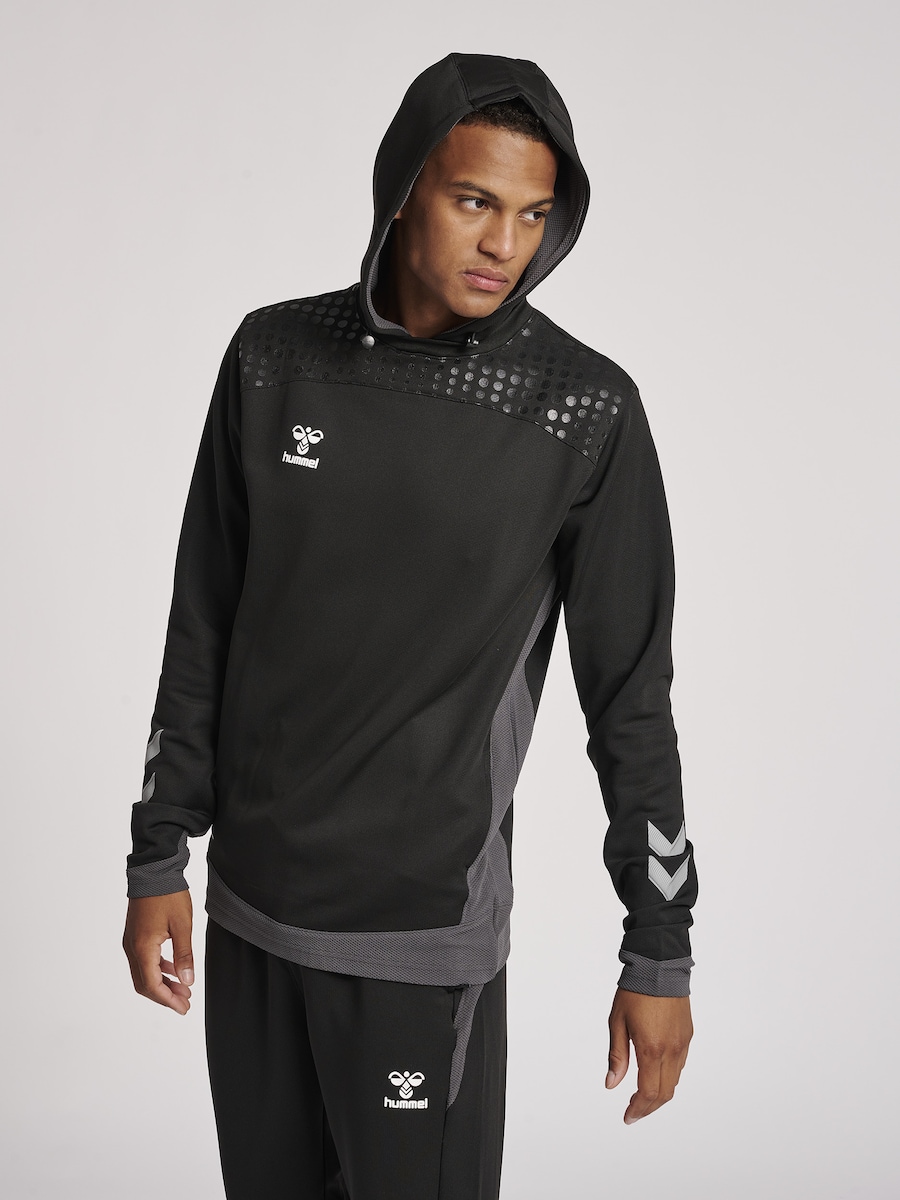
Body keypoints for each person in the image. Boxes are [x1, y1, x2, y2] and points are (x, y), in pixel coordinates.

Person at [122, 51, 697, 1199]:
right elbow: (205, 622)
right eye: (475, 200)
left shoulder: (581, 410)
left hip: (421, 939)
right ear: (403, 188)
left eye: (533, 213)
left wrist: (660, 949)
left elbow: (629, 698)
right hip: (248, 911)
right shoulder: (272, 358)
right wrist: (158, 851)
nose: (505, 243)